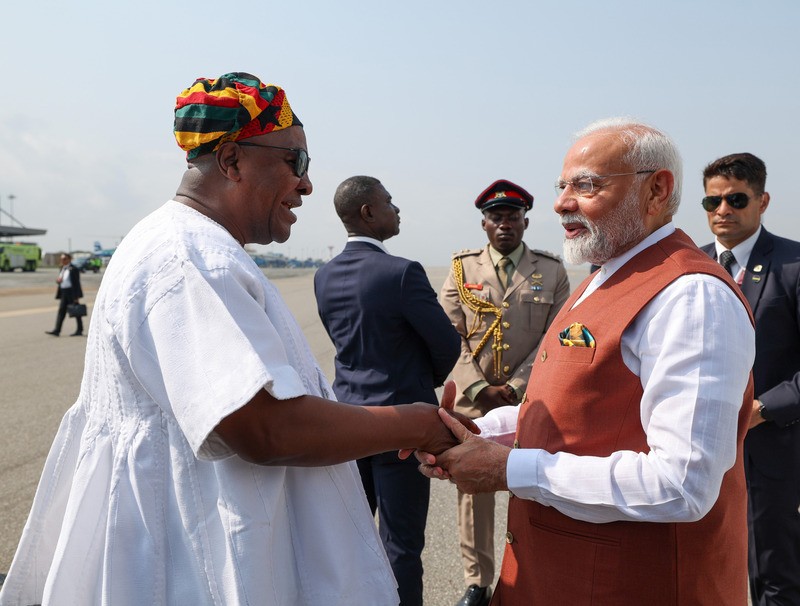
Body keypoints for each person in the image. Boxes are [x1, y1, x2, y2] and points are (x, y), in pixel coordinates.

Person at [0, 72, 471, 606]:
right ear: (231, 161)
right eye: (296, 161)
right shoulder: (190, 258)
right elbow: (264, 428)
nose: (308, 184)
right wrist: (417, 422)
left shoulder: (193, 247)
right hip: (190, 573)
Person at [420, 118, 757, 605]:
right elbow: (575, 408)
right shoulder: (604, 277)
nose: (561, 202)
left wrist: (512, 469)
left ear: (656, 189)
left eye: (587, 185)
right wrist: (478, 434)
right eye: (562, 186)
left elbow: (682, 484)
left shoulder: (691, 297)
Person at [313, 175, 460, 605]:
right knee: (401, 546)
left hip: (347, 425)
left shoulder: (324, 276)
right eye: (390, 202)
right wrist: (417, 382)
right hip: (400, 429)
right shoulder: (401, 272)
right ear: (368, 212)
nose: (397, 210)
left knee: (351, 543)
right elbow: (446, 343)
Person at [438, 179, 570, 606]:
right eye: (496, 217)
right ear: (484, 223)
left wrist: (514, 387)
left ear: (526, 221)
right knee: (472, 491)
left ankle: (529, 577)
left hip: (533, 400)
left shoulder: (552, 271)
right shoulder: (461, 269)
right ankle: (477, 582)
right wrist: (479, 387)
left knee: (531, 484)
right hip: (473, 403)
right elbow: (447, 336)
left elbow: (555, 337)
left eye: (512, 216)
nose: (505, 224)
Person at [699, 152, 800, 605]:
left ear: (762, 201)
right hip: (694, 445)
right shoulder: (687, 266)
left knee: (773, 573)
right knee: (697, 563)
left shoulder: (793, 266)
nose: (722, 211)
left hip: (769, 448)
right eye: (712, 201)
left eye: (736, 199)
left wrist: (762, 409)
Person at [44, 252, 84, 336]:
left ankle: (79, 330)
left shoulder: (74, 269)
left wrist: (76, 296)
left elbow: (77, 283)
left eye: (64, 259)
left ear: (69, 259)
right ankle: (57, 330)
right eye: (61, 259)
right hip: (64, 293)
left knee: (76, 311)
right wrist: (58, 281)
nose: (62, 260)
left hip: (71, 293)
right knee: (61, 311)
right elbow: (62, 279)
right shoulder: (62, 268)